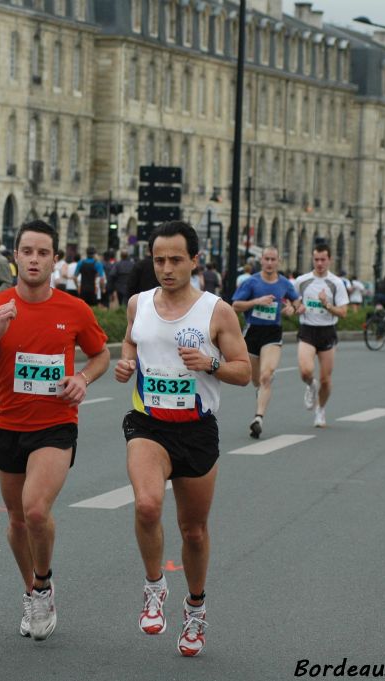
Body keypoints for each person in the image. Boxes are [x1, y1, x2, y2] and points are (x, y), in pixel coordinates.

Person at [0, 220, 110, 641]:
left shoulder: (74, 309)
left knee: (36, 509)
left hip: (56, 425)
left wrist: (83, 378)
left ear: (55, 260)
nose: (34, 259)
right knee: (16, 519)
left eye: (43, 253)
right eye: (27, 251)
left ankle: (43, 584)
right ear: (15, 256)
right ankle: (31, 590)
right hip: (9, 426)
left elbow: (101, 355)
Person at [113, 221, 250, 657]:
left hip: (196, 429)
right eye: (159, 260)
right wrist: (126, 362)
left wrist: (210, 364)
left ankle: (195, 608)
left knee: (193, 531)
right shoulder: (138, 304)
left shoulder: (216, 311)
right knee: (148, 504)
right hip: (148, 422)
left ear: (195, 259)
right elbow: (131, 342)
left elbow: (243, 371)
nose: (167, 268)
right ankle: (155, 586)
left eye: (176, 260)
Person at [231, 246, 301, 439]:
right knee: (255, 380)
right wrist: (256, 302)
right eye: (267, 259)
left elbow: (296, 302)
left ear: (278, 262)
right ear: (261, 261)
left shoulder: (285, 283)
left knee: (266, 375)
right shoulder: (251, 282)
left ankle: (258, 418)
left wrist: (291, 309)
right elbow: (235, 305)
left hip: (272, 333)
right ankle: (260, 392)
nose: (270, 263)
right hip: (252, 332)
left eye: (273, 259)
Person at [294, 244, 349, 428]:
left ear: (329, 260)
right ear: (313, 259)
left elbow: (343, 313)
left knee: (326, 379)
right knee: (305, 371)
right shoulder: (302, 281)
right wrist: (296, 308)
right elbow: (292, 304)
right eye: (316, 259)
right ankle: (310, 385)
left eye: (323, 259)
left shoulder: (336, 283)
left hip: (327, 331)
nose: (319, 263)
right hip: (307, 330)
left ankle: (321, 410)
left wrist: (327, 305)